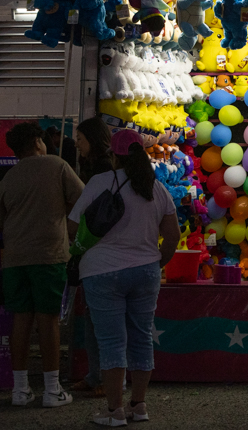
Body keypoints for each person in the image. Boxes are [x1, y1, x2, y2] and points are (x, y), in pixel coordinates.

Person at [67, 129, 180, 426]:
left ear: (114, 156)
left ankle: (114, 410)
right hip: (146, 272)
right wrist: (157, 262)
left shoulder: (99, 182)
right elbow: (172, 235)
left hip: (102, 271)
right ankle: (138, 406)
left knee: (111, 342)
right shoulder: (156, 188)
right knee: (141, 337)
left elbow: (72, 225)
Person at [0, 122, 83, 408]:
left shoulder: (8, 178)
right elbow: (83, 200)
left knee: (21, 319)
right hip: (49, 255)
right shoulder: (56, 165)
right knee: (48, 320)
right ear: (38, 142)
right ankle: (51, 389)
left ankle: (20, 389)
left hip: (14, 258)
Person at [70, 117, 114, 399]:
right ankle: (96, 375)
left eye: (81, 139)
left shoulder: (102, 171)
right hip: (95, 253)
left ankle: (104, 378)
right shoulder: (96, 167)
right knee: (93, 319)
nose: (77, 144)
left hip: (99, 251)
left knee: (102, 322)